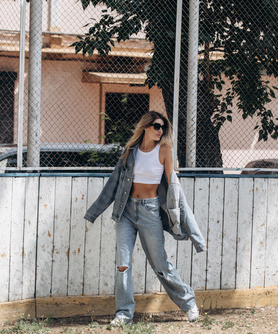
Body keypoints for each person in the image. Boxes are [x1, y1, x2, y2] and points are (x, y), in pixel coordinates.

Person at [84, 111, 206, 326]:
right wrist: (93, 213)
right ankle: (123, 315)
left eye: (163, 128)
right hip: (126, 212)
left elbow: (175, 188)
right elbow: (113, 183)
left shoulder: (165, 151)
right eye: (157, 126)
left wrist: (191, 229)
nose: (161, 131)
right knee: (123, 265)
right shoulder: (130, 151)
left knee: (160, 265)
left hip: (150, 212)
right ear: (146, 127)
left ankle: (188, 303)